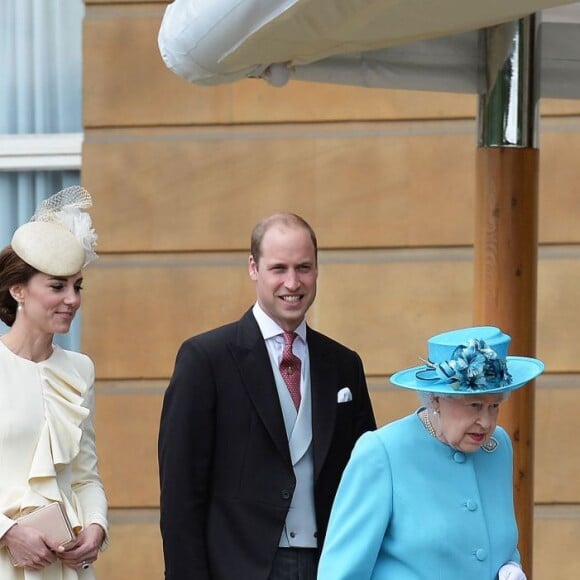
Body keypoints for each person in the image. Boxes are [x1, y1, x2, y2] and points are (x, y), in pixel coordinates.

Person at [158, 212, 376, 580]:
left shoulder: (344, 364)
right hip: (237, 568)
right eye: (279, 268)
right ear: (253, 268)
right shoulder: (205, 359)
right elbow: (181, 495)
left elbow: (366, 478)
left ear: (317, 270)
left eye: (304, 267)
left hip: (330, 566)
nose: (293, 282)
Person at [317, 326, 544, 580]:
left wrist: (509, 566)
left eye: (494, 406)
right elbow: (340, 574)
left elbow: (497, 543)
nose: (486, 421)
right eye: (474, 405)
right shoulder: (383, 452)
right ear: (436, 398)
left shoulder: (497, 448)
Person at [0, 187, 108, 578]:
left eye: (77, 286)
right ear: (18, 291)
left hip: (64, 568)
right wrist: (8, 532)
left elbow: (85, 475)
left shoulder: (79, 369)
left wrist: (96, 526)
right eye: (57, 286)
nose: (72, 299)